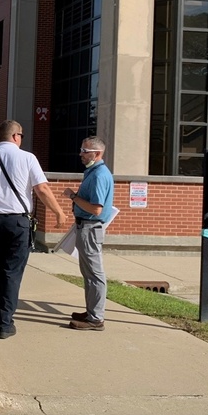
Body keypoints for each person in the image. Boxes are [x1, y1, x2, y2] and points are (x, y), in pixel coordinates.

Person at [0, 120, 67, 339]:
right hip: (17, 223)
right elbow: (42, 189)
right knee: (11, 273)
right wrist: (58, 212)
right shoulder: (28, 158)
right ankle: (4, 323)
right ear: (17, 136)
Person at [63, 136, 115, 331]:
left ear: (97, 153)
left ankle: (96, 318)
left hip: (91, 228)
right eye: (81, 150)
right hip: (85, 228)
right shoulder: (93, 172)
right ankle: (91, 311)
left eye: (85, 151)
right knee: (88, 273)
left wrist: (73, 197)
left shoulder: (99, 175)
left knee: (95, 274)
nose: (81, 155)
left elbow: (96, 209)